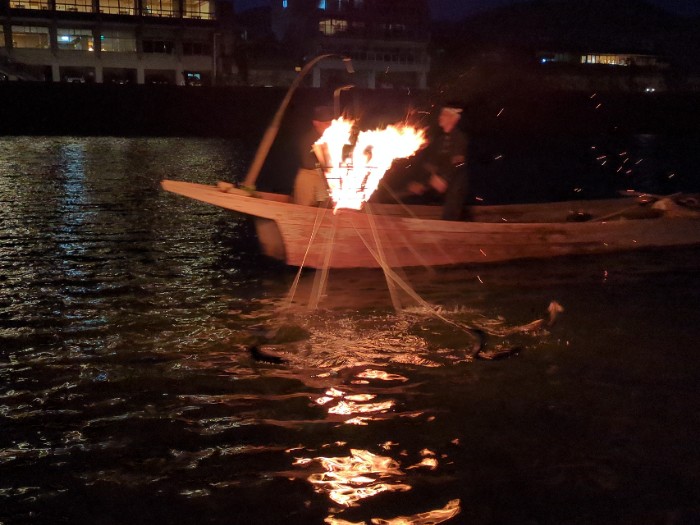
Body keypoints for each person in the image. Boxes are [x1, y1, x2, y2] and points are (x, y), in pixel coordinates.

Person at [406, 105, 469, 220]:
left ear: (453, 119)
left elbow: (458, 164)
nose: (440, 117)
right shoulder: (439, 141)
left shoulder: (460, 138)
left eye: (444, 115)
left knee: (453, 208)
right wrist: (421, 183)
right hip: (441, 187)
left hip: (456, 187)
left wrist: (444, 179)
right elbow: (430, 165)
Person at [292, 105, 334, 206]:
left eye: (331, 124)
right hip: (309, 175)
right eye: (326, 124)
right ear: (316, 123)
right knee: (303, 207)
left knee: (325, 207)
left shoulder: (332, 137)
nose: (330, 127)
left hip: (324, 177)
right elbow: (307, 162)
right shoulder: (308, 139)